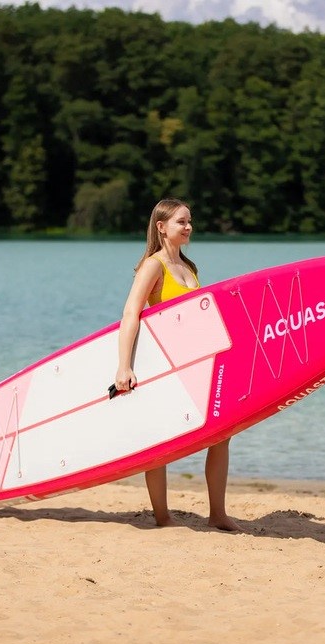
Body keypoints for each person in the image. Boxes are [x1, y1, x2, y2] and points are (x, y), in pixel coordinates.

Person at [113, 198, 242, 532]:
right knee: (161, 440)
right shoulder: (153, 266)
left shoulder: (189, 266)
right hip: (164, 365)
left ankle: (217, 514)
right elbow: (131, 313)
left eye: (189, 221)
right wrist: (124, 366)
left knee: (222, 434)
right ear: (161, 227)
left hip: (195, 363)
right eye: (181, 222)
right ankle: (163, 516)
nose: (188, 227)